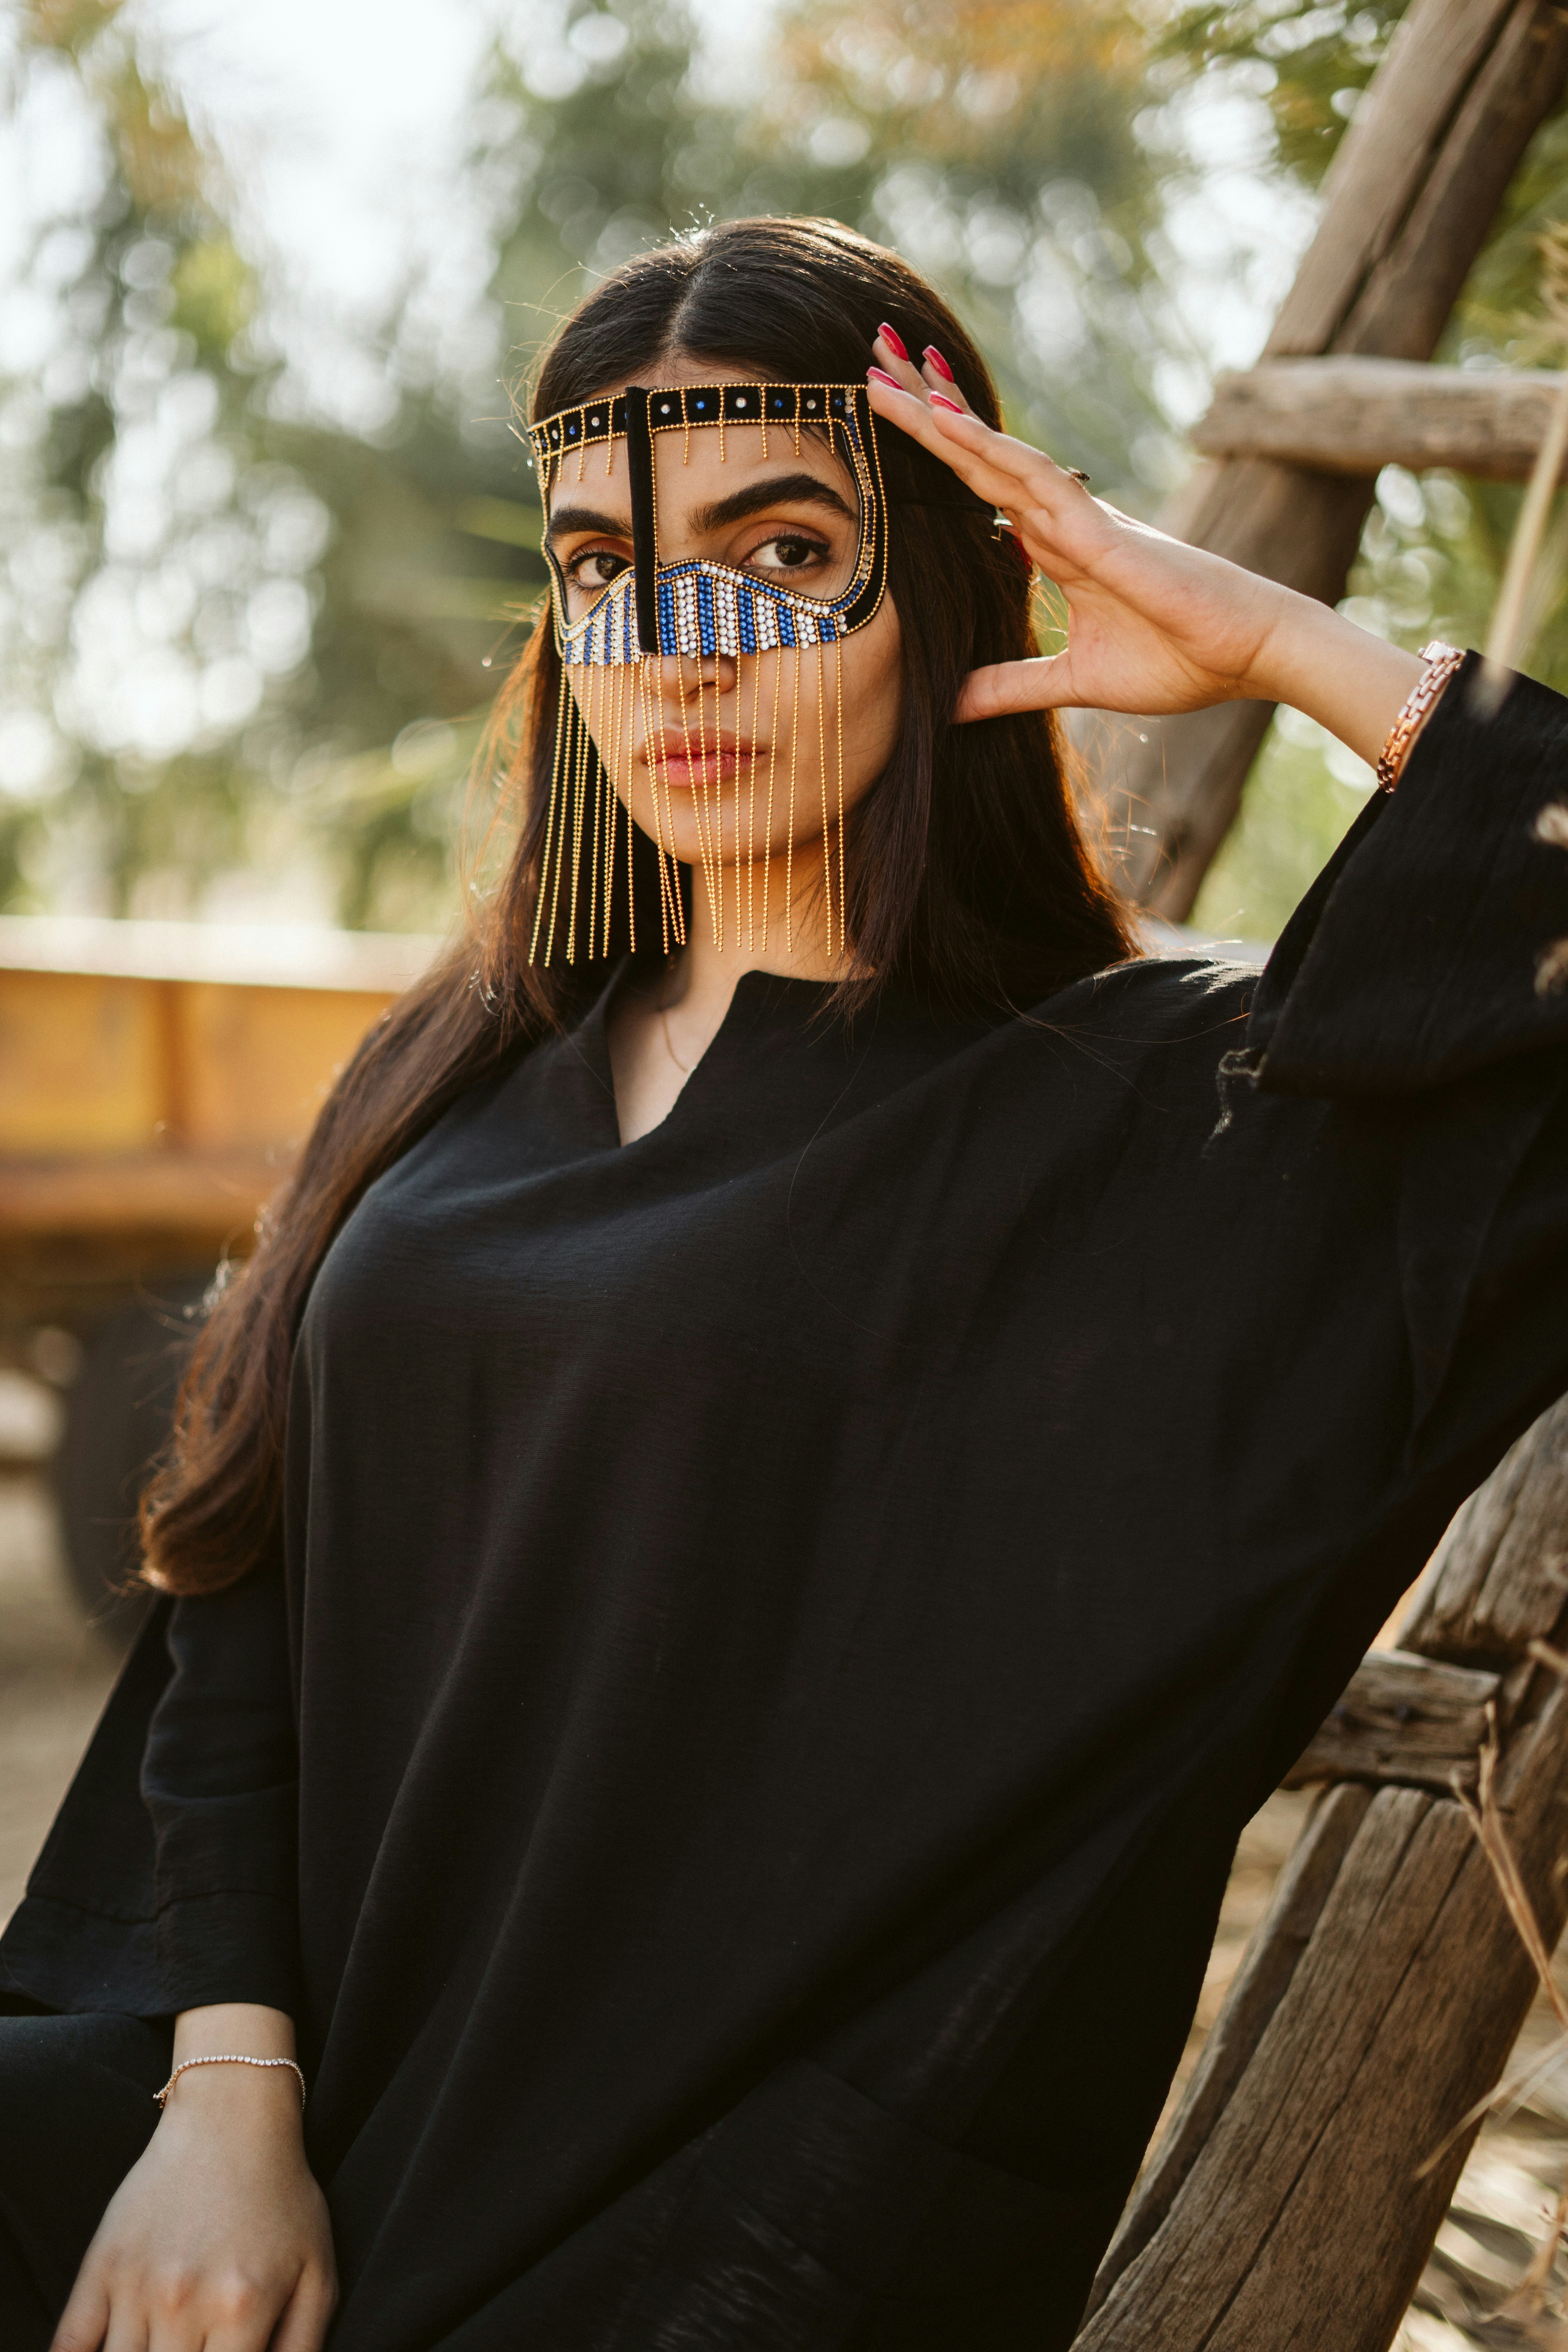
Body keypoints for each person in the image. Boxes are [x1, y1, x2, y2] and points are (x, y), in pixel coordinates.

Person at [2, 214, 1566, 2352]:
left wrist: (1288, 648)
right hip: (244, 2137)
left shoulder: (1170, 1122)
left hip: (714, 2249)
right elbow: (240, 1607)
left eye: (783, 548)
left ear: (939, 582)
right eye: (601, 569)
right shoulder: (456, 1074)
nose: (682, 644)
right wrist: (223, 2100)